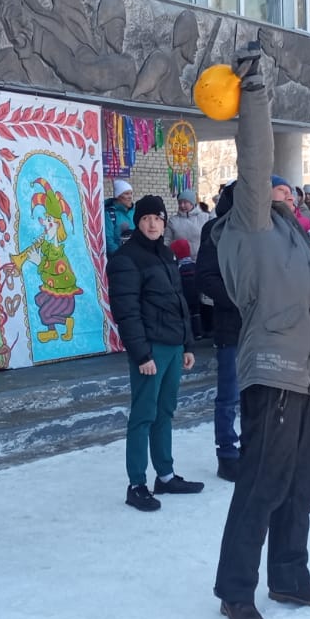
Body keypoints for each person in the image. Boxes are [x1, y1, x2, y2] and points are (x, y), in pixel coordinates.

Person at [212, 46, 310, 619]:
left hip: (303, 378)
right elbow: (255, 158)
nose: (289, 192)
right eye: (279, 189)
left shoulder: (295, 239)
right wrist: (254, 90)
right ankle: (236, 590)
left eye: (290, 191)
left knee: (300, 484)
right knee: (261, 484)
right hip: (272, 371)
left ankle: (288, 575)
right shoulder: (249, 224)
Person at [110, 195, 201, 511]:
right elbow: (127, 311)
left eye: (158, 219)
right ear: (138, 221)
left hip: (174, 347)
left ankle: (165, 474)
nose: (152, 224)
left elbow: (179, 302)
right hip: (150, 351)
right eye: (147, 218)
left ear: (165, 223)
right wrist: (141, 354)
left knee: (165, 413)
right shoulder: (126, 258)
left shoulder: (165, 254)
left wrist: (188, 344)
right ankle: (137, 484)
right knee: (143, 415)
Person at [197, 183, 243, 481]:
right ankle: (227, 452)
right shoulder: (216, 229)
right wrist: (239, 300)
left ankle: (255, 449)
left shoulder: (264, 228)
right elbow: (206, 277)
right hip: (232, 325)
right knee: (229, 395)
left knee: (257, 394)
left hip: (263, 327)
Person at [166, 187, 212, 258]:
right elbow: (167, 240)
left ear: (192, 203)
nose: (182, 205)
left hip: (201, 259)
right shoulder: (173, 221)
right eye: (180, 203)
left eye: (185, 202)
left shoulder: (205, 218)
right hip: (180, 261)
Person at [105, 180, 136, 253]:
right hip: (118, 257)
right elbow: (108, 240)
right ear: (118, 196)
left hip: (135, 256)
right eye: (126, 194)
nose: (130, 197)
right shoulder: (110, 214)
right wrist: (121, 255)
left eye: (131, 193)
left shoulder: (134, 212)